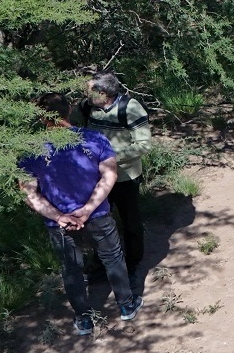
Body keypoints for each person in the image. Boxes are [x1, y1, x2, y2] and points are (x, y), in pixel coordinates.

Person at [20, 92, 142, 336]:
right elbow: (109, 175)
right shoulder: (94, 138)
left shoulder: (31, 151)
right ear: (69, 110)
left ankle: (84, 319)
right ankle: (126, 305)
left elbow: (29, 193)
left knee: (71, 268)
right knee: (112, 257)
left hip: (59, 223)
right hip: (97, 213)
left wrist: (58, 216)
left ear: (42, 118)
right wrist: (87, 209)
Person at [71, 72, 152, 293]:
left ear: (103, 93)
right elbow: (72, 126)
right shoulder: (87, 106)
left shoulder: (130, 108)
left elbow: (143, 145)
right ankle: (101, 264)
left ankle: (133, 266)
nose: (85, 94)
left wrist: (108, 157)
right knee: (98, 222)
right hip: (96, 178)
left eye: (89, 90)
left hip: (125, 177)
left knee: (130, 223)